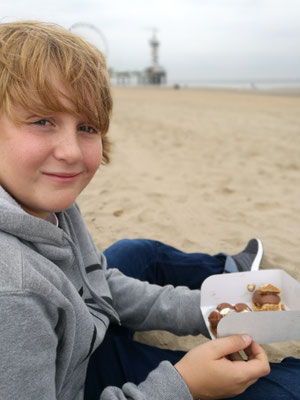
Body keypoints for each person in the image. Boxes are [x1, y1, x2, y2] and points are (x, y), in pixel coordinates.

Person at [0, 20, 299, 400]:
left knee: (137, 251)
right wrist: (184, 386)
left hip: (81, 341)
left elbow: (97, 282)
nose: (71, 152)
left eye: (87, 127)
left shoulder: (50, 207)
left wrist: (206, 309)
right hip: (70, 382)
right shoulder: (14, 293)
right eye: (42, 121)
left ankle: (227, 271)